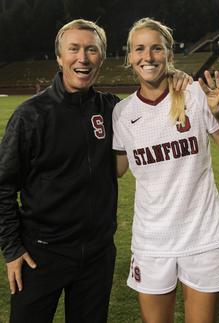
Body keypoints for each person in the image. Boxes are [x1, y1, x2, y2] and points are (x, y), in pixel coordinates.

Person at [0, 19, 191, 323]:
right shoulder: (30, 116)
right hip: (40, 254)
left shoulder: (111, 109)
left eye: (92, 50)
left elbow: (152, 104)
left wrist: (175, 76)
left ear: (102, 58)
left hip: (97, 255)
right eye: (74, 49)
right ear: (60, 57)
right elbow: (4, 186)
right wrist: (11, 248)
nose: (83, 58)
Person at [112, 18, 219, 323]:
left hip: (204, 237)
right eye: (140, 49)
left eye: (157, 48)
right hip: (151, 241)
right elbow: (115, 170)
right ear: (130, 56)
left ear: (169, 54)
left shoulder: (195, 95)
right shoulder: (122, 114)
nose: (148, 56)